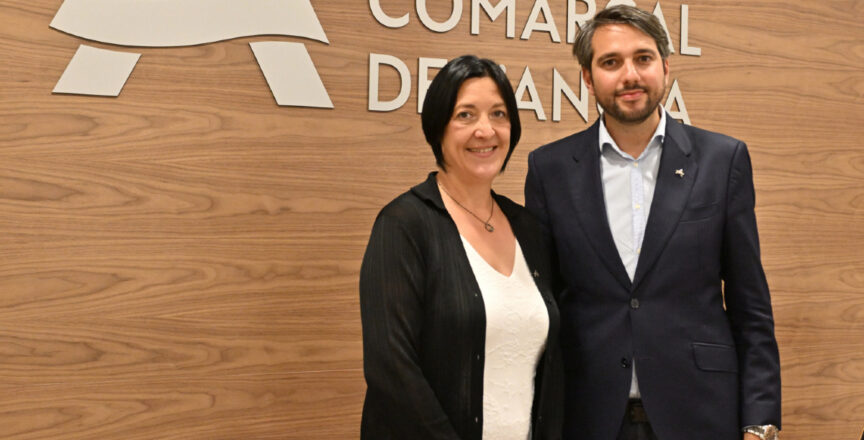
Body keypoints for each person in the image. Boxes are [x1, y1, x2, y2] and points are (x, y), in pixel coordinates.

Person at [525, 6, 780, 440]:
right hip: (587, 416)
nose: (630, 75)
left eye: (642, 58)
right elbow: (542, 306)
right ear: (588, 78)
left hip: (700, 415)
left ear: (665, 66)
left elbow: (750, 305)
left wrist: (760, 422)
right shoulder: (550, 170)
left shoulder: (722, 160)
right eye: (611, 62)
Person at [359, 55, 563, 439]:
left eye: (498, 114)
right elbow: (391, 368)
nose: (485, 130)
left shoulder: (530, 229)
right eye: (465, 115)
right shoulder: (404, 225)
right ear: (438, 127)